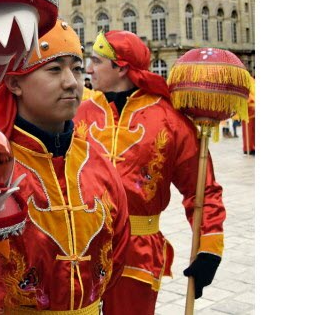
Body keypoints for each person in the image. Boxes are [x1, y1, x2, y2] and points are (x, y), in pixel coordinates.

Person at [0, 21, 130, 313]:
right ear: (14, 83)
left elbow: (119, 250)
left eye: (76, 68)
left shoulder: (97, 161)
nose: (72, 82)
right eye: (54, 69)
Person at [75, 31, 225, 314]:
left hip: (138, 251)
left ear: (120, 67)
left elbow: (201, 189)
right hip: (81, 247)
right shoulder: (79, 113)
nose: (89, 68)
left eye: (96, 61)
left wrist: (208, 248)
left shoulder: (170, 120)